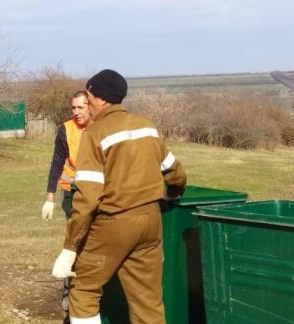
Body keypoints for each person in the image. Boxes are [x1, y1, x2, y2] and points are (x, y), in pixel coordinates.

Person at [51, 69, 187, 324]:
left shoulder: (95, 133)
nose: (87, 102)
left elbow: (88, 198)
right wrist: (175, 193)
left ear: (98, 98)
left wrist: (70, 248)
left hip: (114, 222)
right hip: (150, 222)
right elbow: (175, 173)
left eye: (89, 96)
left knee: (84, 291)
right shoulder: (147, 127)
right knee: (147, 300)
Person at [41, 90, 93, 319]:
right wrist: (49, 197)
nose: (76, 112)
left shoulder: (102, 127)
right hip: (72, 193)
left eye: (80, 108)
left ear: (90, 106)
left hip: (98, 191)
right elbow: (56, 162)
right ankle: (68, 294)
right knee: (74, 241)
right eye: (73, 108)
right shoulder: (66, 129)